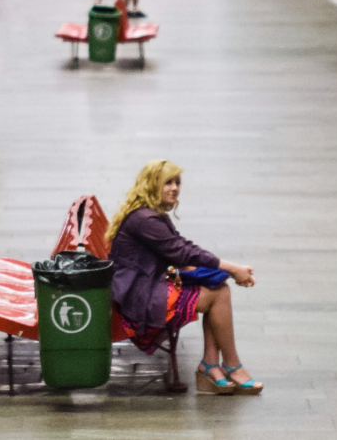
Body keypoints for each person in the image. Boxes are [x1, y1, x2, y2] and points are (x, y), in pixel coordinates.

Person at [106, 159, 263, 395]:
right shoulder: (145, 219)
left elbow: (180, 250)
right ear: (151, 185)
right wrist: (233, 268)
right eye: (167, 182)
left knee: (216, 285)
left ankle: (212, 365)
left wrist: (222, 270)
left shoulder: (151, 214)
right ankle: (229, 365)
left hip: (149, 281)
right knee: (218, 294)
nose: (174, 188)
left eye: (177, 182)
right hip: (139, 295)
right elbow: (182, 252)